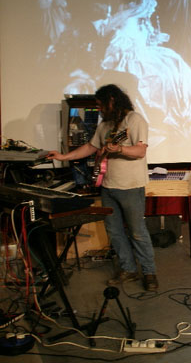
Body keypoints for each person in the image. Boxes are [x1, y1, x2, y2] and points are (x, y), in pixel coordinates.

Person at [47, 84, 158, 291]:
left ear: (112, 101)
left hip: (131, 186)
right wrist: (63, 157)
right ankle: (128, 269)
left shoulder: (135, 120)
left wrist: (120, 149)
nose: (98, 109)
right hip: (108, 186)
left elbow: (140, 151)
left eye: (100, 104)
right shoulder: (106, 124)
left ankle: (149, 273)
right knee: (114, 232)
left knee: (137, 232)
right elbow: (91, 147)